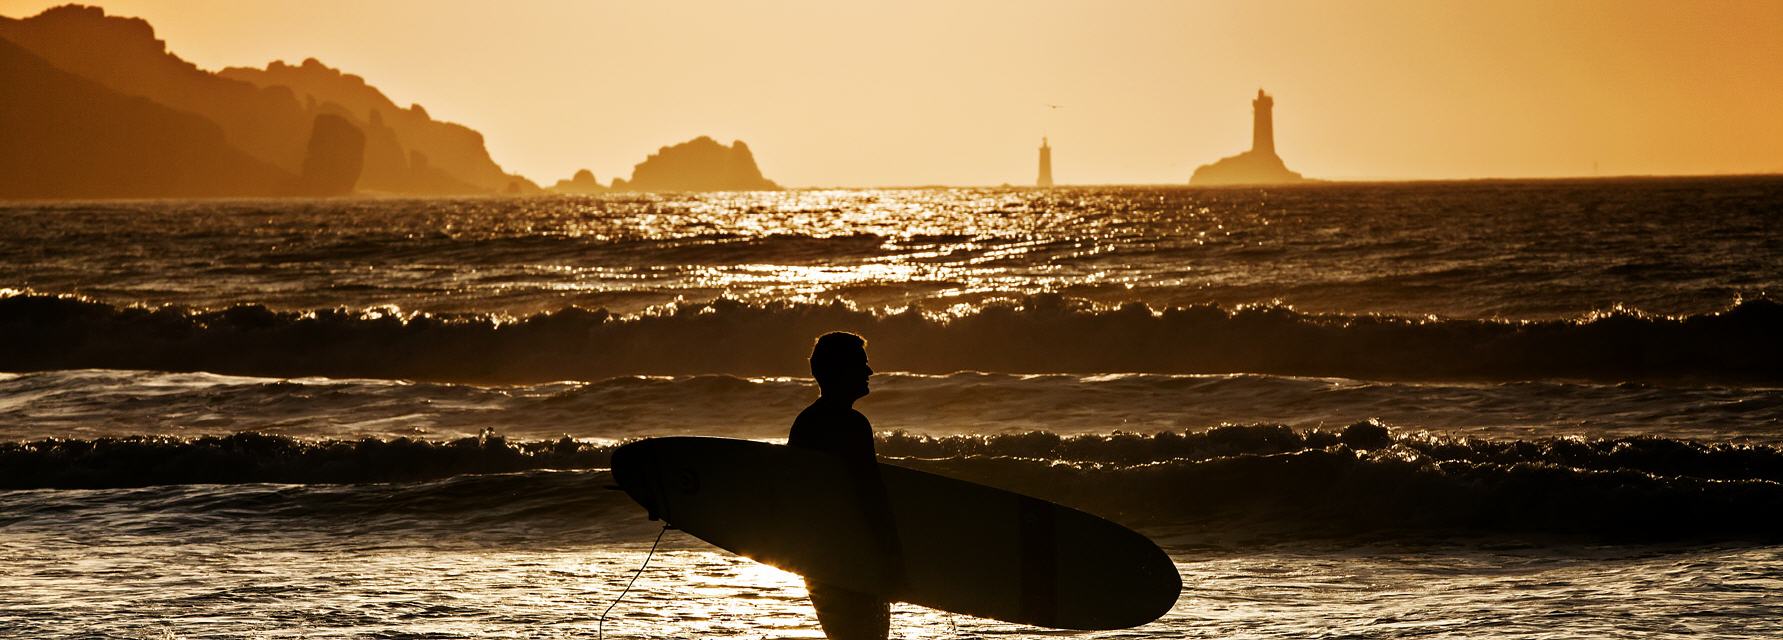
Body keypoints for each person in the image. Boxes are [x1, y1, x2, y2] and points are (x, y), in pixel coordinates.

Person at [789, 332, 903, 640]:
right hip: (854, 558)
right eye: (862, 364)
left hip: (819, 561)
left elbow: (795, 496)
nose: (870, 372)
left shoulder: (806, 422)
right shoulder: (851, 424)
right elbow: (870, 495)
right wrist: (892, 556)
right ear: (841, 369)